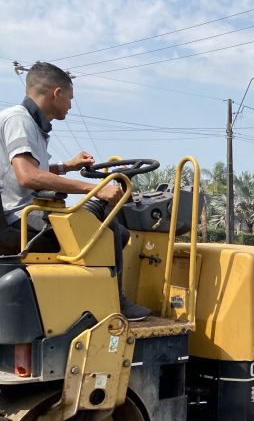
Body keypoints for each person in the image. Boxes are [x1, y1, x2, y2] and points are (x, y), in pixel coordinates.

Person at [0, 62, 150, 320]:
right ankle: (115, 303)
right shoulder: (18, 120)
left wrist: (66, 166)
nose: (70, 104)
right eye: (70, 98)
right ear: (56, 93)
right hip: (19, 219)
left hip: (25, 212)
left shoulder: (31, 125)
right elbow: (27, 176)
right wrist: (95, 189)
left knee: (113, 229)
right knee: (109, 233)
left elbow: (31, 170)